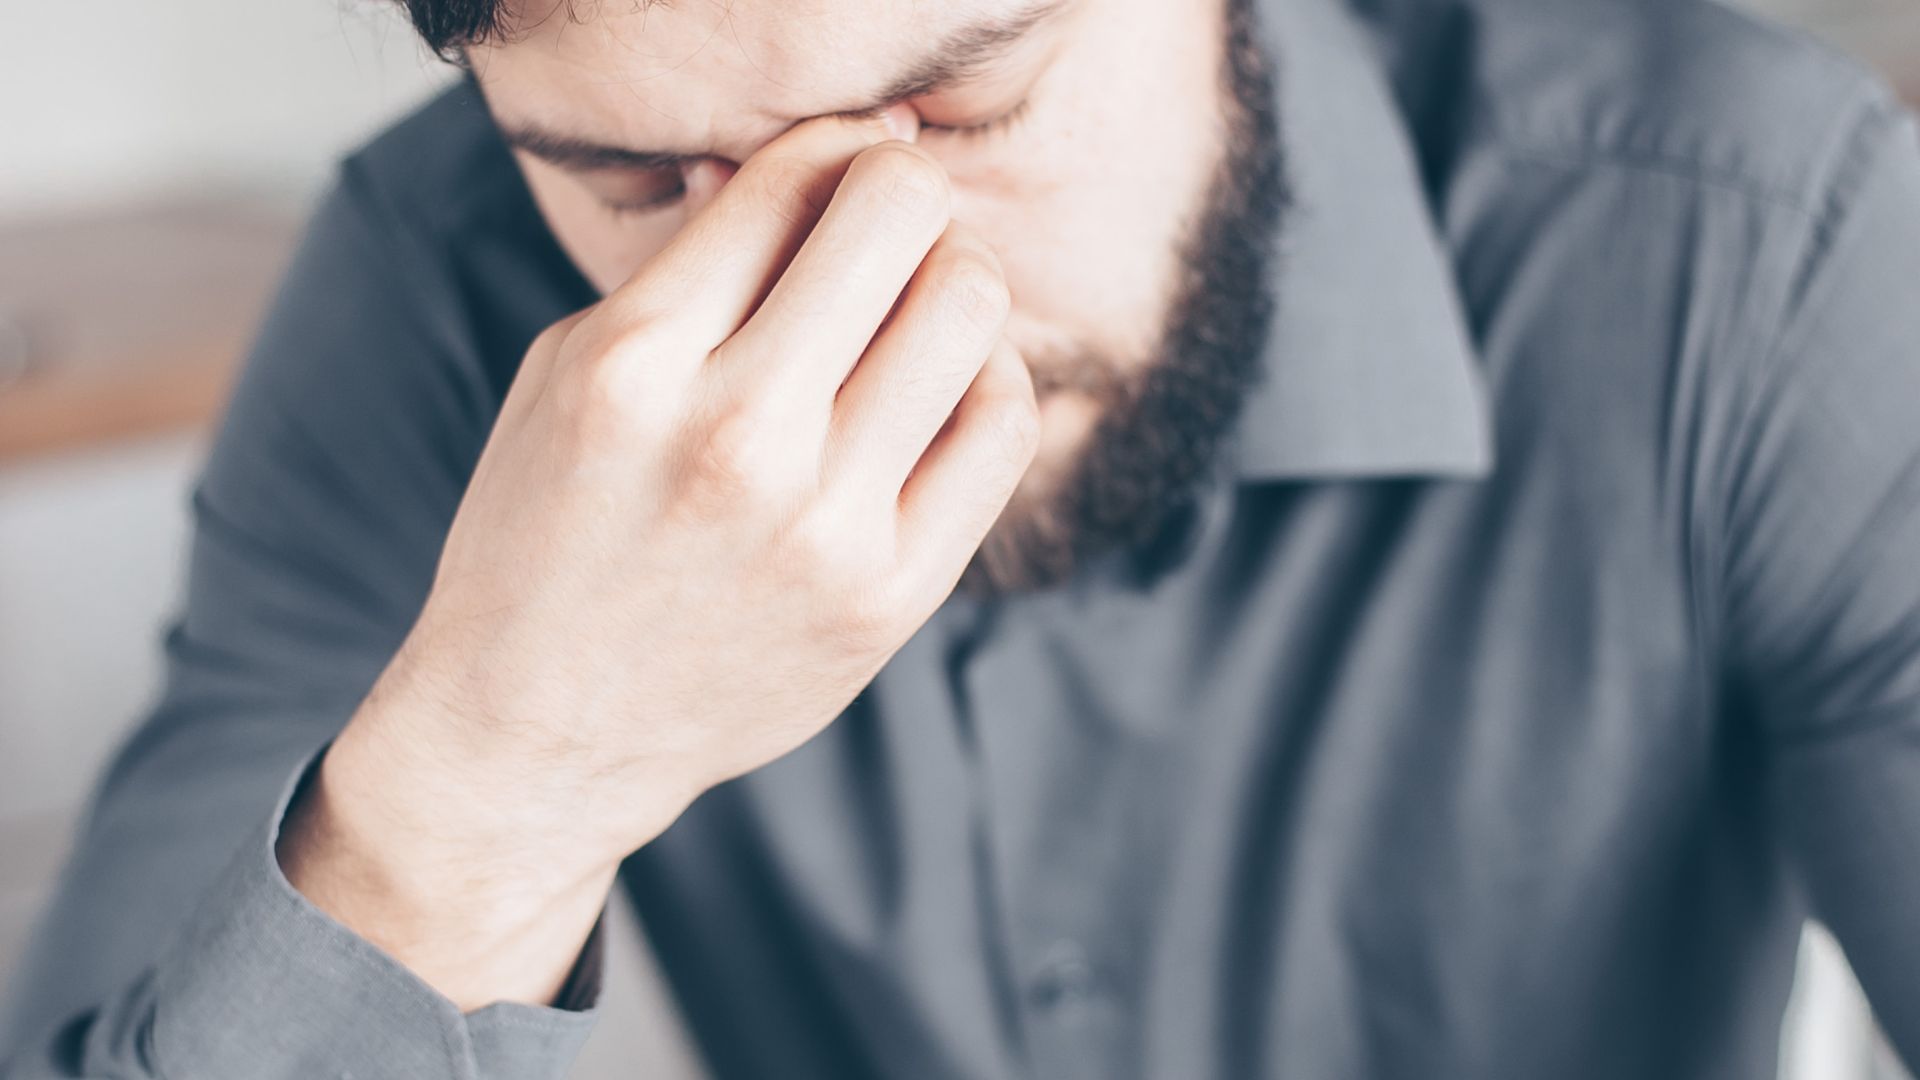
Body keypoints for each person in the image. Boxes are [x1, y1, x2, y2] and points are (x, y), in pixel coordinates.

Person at [4, 0, 1919, 1075]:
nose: (847, 319)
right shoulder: (434, 293)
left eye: (963, 108)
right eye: (634, 180)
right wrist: (501, 775)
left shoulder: (1762, 254)